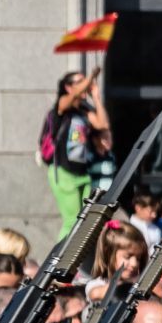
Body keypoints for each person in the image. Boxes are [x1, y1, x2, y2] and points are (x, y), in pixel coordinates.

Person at [41, 69, 110, 229]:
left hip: (82, 172)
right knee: (71, 221)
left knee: (85, 221)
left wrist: (97, 98)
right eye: (79, 82)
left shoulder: (84, 112)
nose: (85, 85)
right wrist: (92, 76)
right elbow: (70, 98)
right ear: (68, 87)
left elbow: (103, 124)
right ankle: (61, 254)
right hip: (63, 171)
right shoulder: (61, 107)